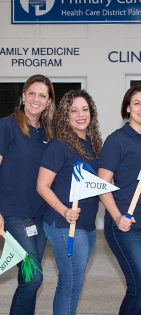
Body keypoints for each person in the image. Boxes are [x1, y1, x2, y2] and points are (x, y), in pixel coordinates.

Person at [98, 83, 141, 315]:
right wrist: (117, 217)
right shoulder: (117, 140)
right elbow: (102, 185)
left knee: (140, 289)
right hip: (126, 226)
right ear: (127, 109)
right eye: (136, 103)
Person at [37, 90, 102, 315]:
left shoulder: (93, 145)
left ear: (91, 114)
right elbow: (42, 186)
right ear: (65, 116)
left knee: (75, 283)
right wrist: (64, 210)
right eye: (73, 110)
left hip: (87, 224)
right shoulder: (59, 145)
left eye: (84, 109)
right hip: (64, 223)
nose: (80, 114)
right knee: (70, 283)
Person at [0, 74, 55, 315]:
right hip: (14, 213)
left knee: (27, 280)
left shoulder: (49, 133)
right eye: (31, 93)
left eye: (42, 95)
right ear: (23, 96)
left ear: (48, 101)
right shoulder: (6, 126)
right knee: (34, 278)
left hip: (40, 215)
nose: (36, 99)